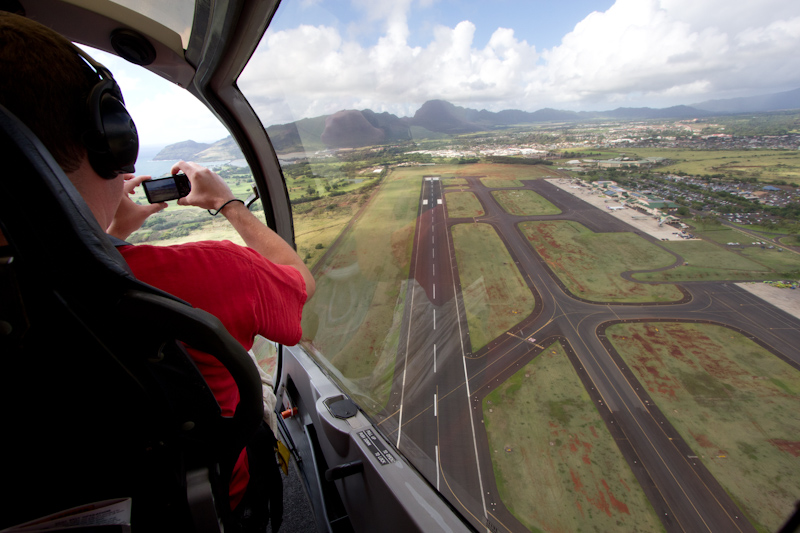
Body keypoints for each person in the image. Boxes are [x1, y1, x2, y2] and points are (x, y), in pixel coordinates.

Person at [0, 12, 314, 531]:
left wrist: (102, 234)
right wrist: (229, 204)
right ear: (109, 140)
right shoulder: (209, 270)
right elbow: (297, 290)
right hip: (199, 509)